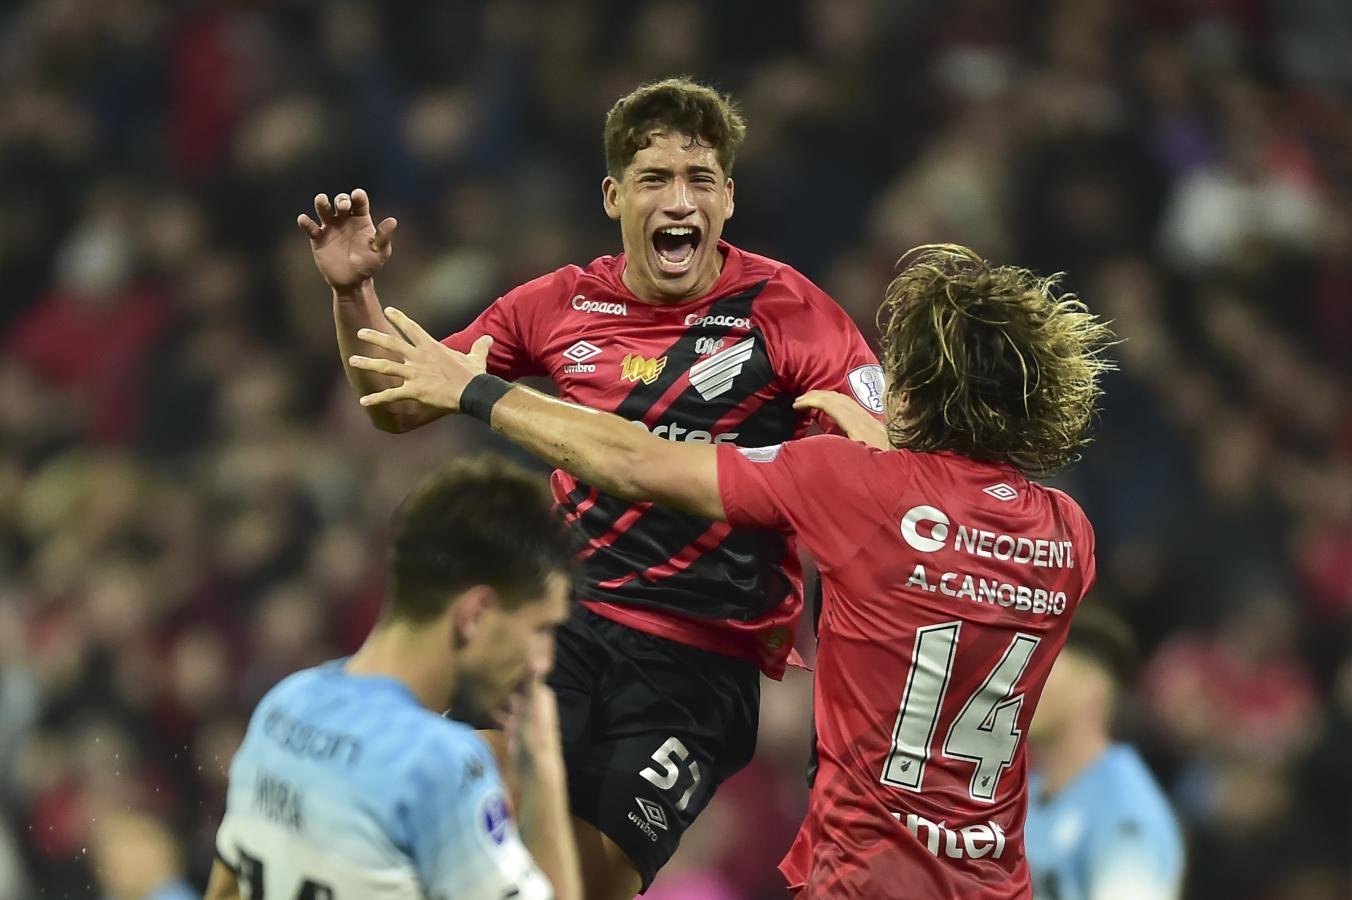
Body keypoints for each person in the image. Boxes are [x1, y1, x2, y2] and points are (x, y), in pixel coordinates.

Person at [347, 243, 1115, 898]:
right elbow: (957, 534)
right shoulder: (1069, 536)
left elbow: (636, 461)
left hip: (864, 874)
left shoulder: (850, 484)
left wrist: (476, 390)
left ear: (917, 390)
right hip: (993, 881)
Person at [299, 77, 883, 897]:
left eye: (699, 180)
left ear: (728, 198)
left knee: (571, 887)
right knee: (469, 832)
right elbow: (398, 403)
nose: (678, 200)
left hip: (699, 668)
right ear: (614, 196)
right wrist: (353, 294)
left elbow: (877, 477)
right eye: (654, 180)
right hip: (559, 623)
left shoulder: (792, 314)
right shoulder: (560, 302)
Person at [204, 456, 580, 900]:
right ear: (476, 614)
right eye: (541, 629)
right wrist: (544, 770)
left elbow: (226, 890)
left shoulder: (284, 706)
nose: (543, 661)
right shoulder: (438, 763)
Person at [1024, 607, 1185, 900]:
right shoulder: (1028, 792)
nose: (1024, 684)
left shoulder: (1126, 814)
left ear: (1091, 688)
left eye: (1043, 669)